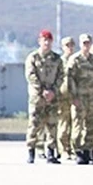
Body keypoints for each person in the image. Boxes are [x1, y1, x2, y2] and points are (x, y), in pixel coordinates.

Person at [24, 30, 63, 164]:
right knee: (34, 124)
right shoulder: (33, 58)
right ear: (39, 41)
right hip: (38, 97)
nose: (47, 43)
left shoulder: (57, 59)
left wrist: (53, 90)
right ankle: (31, 151)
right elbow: (31, 76)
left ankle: (51, 152)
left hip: (52, 97)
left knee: (52, 125)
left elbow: (60, 76)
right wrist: (43, 90)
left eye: (49, 40)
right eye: (44, 40)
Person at [67, 33, 93, 164]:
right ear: (80, 44)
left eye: (88, 43)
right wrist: (73, 97)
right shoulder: (75, 59)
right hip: (80, 98)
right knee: (77, 126)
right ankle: (78, 151)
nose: (86, 45)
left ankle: (88, 151)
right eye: (84, 43)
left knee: (92, 126)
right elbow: (70, 80)